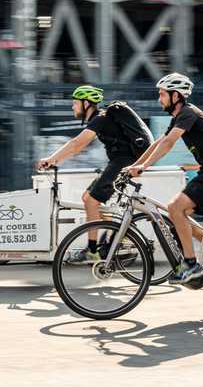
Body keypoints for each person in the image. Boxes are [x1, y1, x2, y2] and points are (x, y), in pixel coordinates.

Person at [125, 73, 203, 284]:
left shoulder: (188, 113)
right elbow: (159, 142)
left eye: (162, 94)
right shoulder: (180, 116)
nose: (160, 99)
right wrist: (134, 165)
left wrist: (144, 167)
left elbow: (169, 144)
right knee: (177, 214)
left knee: (175, 209)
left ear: (176, 96)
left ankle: (192, 266)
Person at [36, 85, 150, 262]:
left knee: (91, 200)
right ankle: (122, 233)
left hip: (124, 162)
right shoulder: (101, 119)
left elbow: (77, 144)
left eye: (75, 103)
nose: (73, 107)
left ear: (86, 103)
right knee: (88, 198)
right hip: (120, 162)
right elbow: (77, 146)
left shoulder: (100, 119)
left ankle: (93, 250)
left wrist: (51, 159)